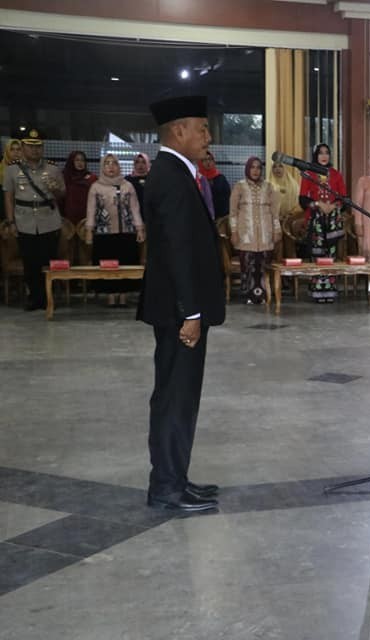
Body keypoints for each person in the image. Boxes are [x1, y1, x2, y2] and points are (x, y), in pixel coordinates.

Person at [137, 95, 225, 513]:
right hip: (179, 312)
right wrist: (191, 312)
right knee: (175, 397)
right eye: (202, 129)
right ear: (178, 131)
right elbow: (176, 251)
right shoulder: (170, 177)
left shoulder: (178, 173)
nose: (208, 137)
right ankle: (167, 488)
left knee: (182, 396)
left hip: (183, 309)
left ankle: (177, 478)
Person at [2, 128, 64, 311]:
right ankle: (34, 298)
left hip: (49, 220)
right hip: (24, 221)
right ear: (22, 147)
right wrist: (10, 221)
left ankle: (49, 297)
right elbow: (8, 197)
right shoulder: (12, 170)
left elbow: (62, 194)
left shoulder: (52, 168)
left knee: (48, 261)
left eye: (38, 146)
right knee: (30, 262)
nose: (35, 150)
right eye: (30, 146)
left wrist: (55, 189)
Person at [84, 153, 145, 307]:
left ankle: (123, 297)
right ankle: (111, 297)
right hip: (104, 234)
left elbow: (135, 208)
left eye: (114, 163)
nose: (111, 167)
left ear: (119, 166)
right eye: (107, 163)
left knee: (126, 262)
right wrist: (89, 231)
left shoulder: (127, 185)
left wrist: (139, 229)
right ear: (102, 167)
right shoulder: (96, 187)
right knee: (108, 264)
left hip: (126, 233)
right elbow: (91, 211)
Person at [298, 143, 346, 303]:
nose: (324, 156)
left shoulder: (336, 174)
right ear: (315, 156)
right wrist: (318, 205)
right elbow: (303, 199)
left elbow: (344, 199)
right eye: (320, 153)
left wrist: (332, 206)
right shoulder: (308, 173)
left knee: (330, 255)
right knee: (317, 256)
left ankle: (330, 291)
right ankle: (317, 291)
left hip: (331, 221)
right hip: (315, 221)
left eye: (327, 153)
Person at [229, 156, 280, 304]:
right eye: (252, 167)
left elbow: (275, 212)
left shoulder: (269, 187)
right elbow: (233, 212)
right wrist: (234, 231)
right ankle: (249, 295)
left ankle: (264, 294)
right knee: (248, 264)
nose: (255, 171)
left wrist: (277, 230)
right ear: (247, 169)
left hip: (265, 232)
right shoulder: (239, 187)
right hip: (246, 233)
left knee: (264, 264)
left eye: (258, 167)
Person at [267, 160, 301, 258]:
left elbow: (299, 205)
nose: (277, 169)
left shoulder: (293, 185)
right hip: (272, 221)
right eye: (274, 167)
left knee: (288, 232)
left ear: (285, 169)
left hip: (290, 221)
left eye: (280, 166)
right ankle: (276, 265)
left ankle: (290, 268)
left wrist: (289, 215)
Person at [62, 150, 98, 226]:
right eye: (77, 160)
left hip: (87, 218)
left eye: (82, 160)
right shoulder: (64, 177)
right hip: (68, 219)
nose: (80, 163)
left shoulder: (92, 178)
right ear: (71, 161)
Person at [199, 151, 231, 219]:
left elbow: (227, 197)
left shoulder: (221, 178)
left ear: (213, 161)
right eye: (204, 160)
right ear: (200, 162)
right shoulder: (198, 179)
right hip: (202, 218)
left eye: (210, 159)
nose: (208, 162)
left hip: (220, 219)